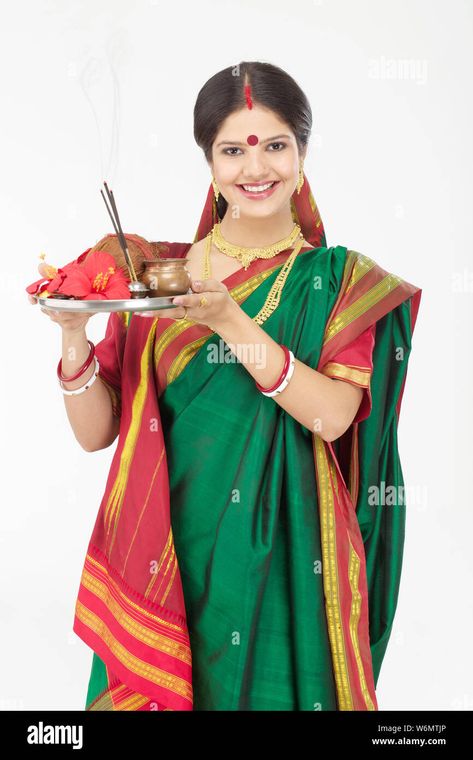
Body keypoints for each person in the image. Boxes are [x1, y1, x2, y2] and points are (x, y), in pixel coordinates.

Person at [34, 61, 422, 711]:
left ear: (301, 154)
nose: (255, 167)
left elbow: (331, 416)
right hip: (166, 557)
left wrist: (229, 321)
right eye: (232, 149)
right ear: (209, 162)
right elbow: (97, 433)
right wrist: (74, 333)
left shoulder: (337, 282)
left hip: (282, 566)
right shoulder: (156, 275)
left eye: (274, 145)